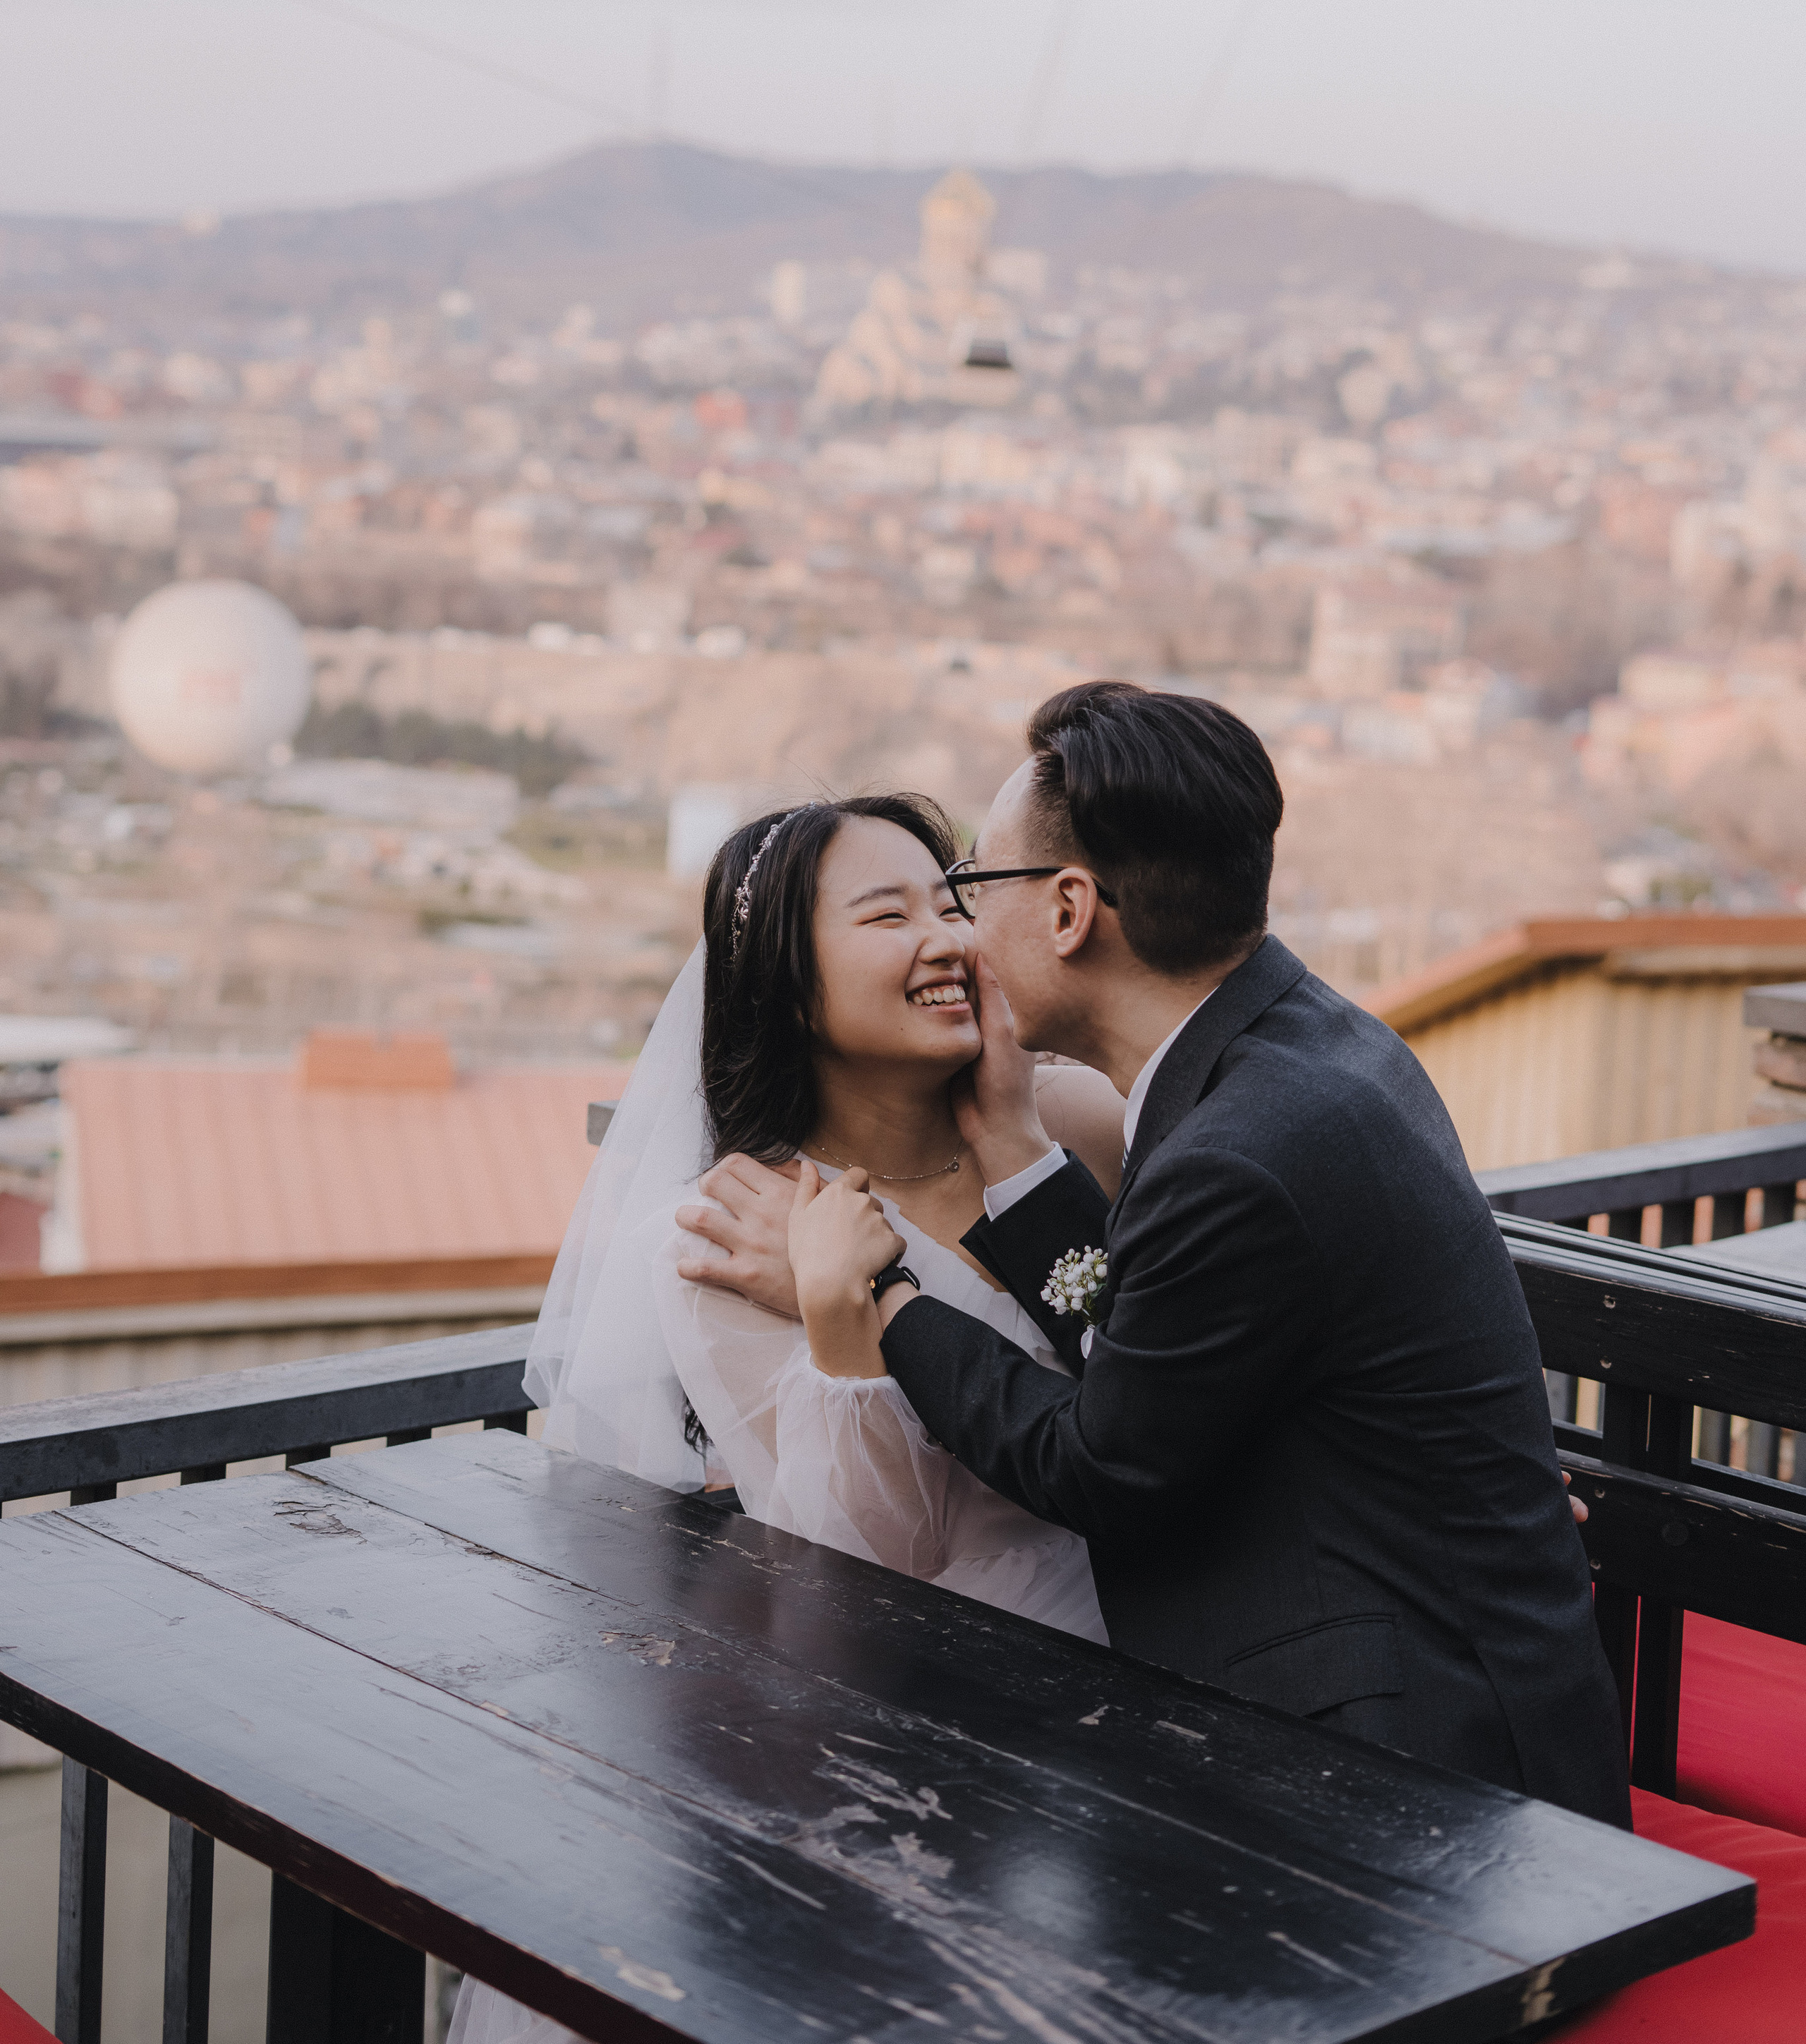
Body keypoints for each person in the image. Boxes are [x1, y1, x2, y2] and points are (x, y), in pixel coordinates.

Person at [679, 681, 1632, 1830]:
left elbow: (1101, 1465)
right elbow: (1147, 1337)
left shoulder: (1237, 1150)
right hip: (1380, 1664)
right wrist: (1015, 1150)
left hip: (1412, 1761)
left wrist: (869, 1297)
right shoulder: (1306, 1049)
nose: (959, 936)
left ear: (1069, 909)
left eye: (972, 888)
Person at [448, 790, 1120, 2044]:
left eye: (952, 902)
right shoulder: (726, 1234)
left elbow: (1163, 1355)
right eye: (889, 916)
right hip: (925, 1715)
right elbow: (871, 1567)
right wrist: (836, 1317)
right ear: (791, 987)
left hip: (1145, 1638)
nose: (948, 939)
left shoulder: (1068, 1122)